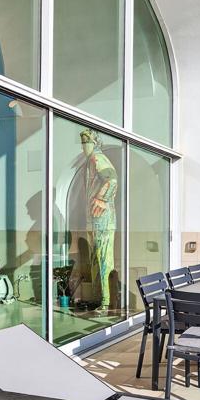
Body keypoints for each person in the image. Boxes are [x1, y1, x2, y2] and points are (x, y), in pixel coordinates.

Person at [80, 129, 118, 309]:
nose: (83, 146)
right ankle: (99, 298)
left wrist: (101, 198)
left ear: (94, 143)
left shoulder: (97, 158)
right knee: (95, 258)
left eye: (86, 142)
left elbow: (112, 179)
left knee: (103, 259)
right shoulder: (90, 161)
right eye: (82, 143)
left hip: (103, 219)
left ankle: (106, 301)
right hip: (95, 219)